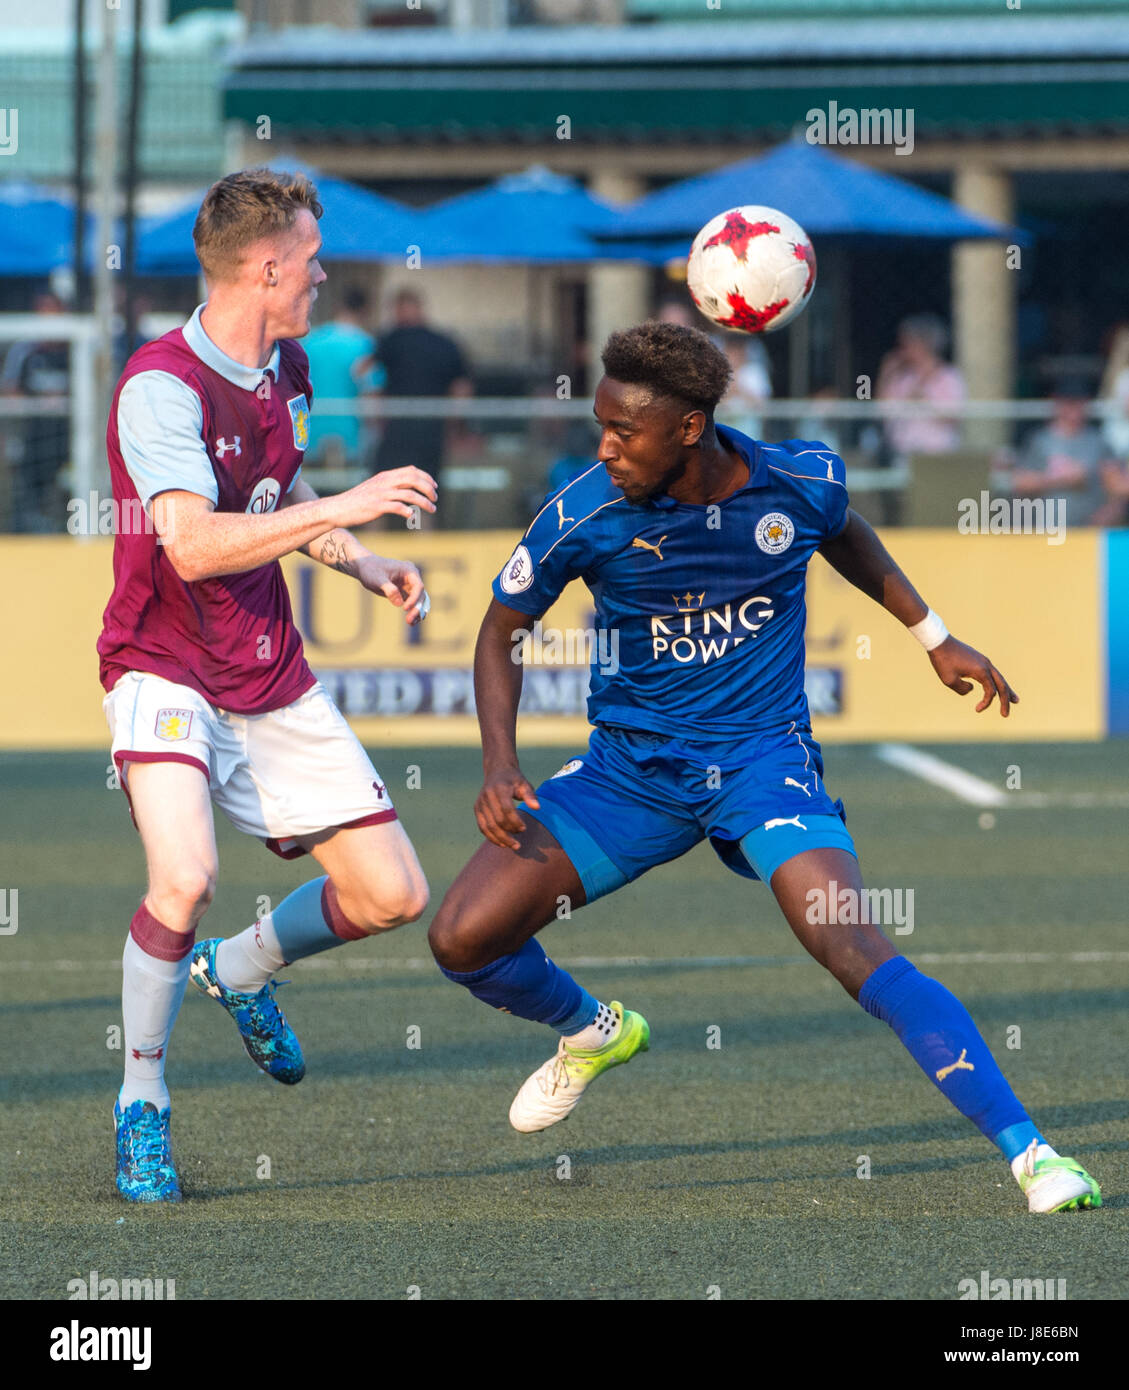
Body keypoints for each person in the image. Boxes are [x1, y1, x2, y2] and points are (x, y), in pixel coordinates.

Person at [426, 321, 1100, 1216]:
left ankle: (1035, 1157)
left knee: (850, 943)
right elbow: (501, 629)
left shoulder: (799, 481)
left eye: (624, 431)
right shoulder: (584, 512)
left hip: (761, 762)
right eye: (601, 425)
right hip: (629, 776)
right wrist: (499, 762)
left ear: (689, 429)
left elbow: (845, 533)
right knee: (462, 940)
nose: (605, 447)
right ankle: (593, 1030)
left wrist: (933, 638)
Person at [97, 167, 438, 1203]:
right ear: (267, 265)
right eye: (313, 257)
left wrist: (355, 558)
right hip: (162, 663)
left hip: (266, 666)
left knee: (393, 894)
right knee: (184, 875)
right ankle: (141, 1106)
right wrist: (359, 501)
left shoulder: (287, 367)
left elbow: (271, 487)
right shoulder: (158, 385)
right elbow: (195, 545)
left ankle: (237, 970)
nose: (325, 272)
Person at [373, 288, 471, 482]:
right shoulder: (445, 342)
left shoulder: (390, 340)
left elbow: (366, 376)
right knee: (424, 491)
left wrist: (376, 419)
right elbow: (462, 389)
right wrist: (454, 425)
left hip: (397, 429)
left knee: (385, 490)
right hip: (431, 429)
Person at [0, 289, 70, 532]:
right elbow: (10, 391)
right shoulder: (25, 351)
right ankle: (25, 526)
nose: (47, 318)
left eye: (52, 311)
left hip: (71, 438)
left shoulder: (77, 350)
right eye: (42, 311)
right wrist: (40, 400)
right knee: (25, 487)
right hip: (32, 438)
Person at [1007, 379, 1116, 530]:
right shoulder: (1040, 441)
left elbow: (1116, 486)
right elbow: (1019, 483)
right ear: (1057, 403)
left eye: (1079, 403)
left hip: (1087, 532)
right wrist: (1061, 479)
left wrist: (1104, 517)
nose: (1074, 409)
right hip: (1045, 530)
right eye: (1069, 402)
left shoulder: (1098, 442)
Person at [302, 283, 382, 472]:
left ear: (337, 306)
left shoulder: (310, 341)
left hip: (310, 432)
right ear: (366, 310)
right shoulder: (366, 344)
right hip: (351, 435)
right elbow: (372, 393)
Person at [876, 313, 966, 458]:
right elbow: (882, 413)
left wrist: (925, 402)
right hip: (903, 454)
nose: (902, 351)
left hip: (938, 455)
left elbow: (954, 418)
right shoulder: (903, 378)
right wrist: (885, 375)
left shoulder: (949, 377)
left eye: (906, 345)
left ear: (923, 344)